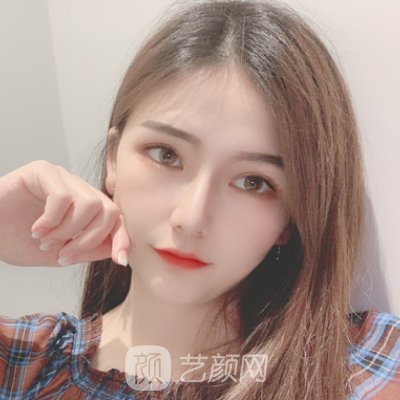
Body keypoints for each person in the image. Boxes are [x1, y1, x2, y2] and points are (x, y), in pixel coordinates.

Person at [0, 0, 399, 399]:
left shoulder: (365, 371)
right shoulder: (25, 364)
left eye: (253, 182)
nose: (191, 218)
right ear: (113, 160)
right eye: (165, 155)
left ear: (292, 216)